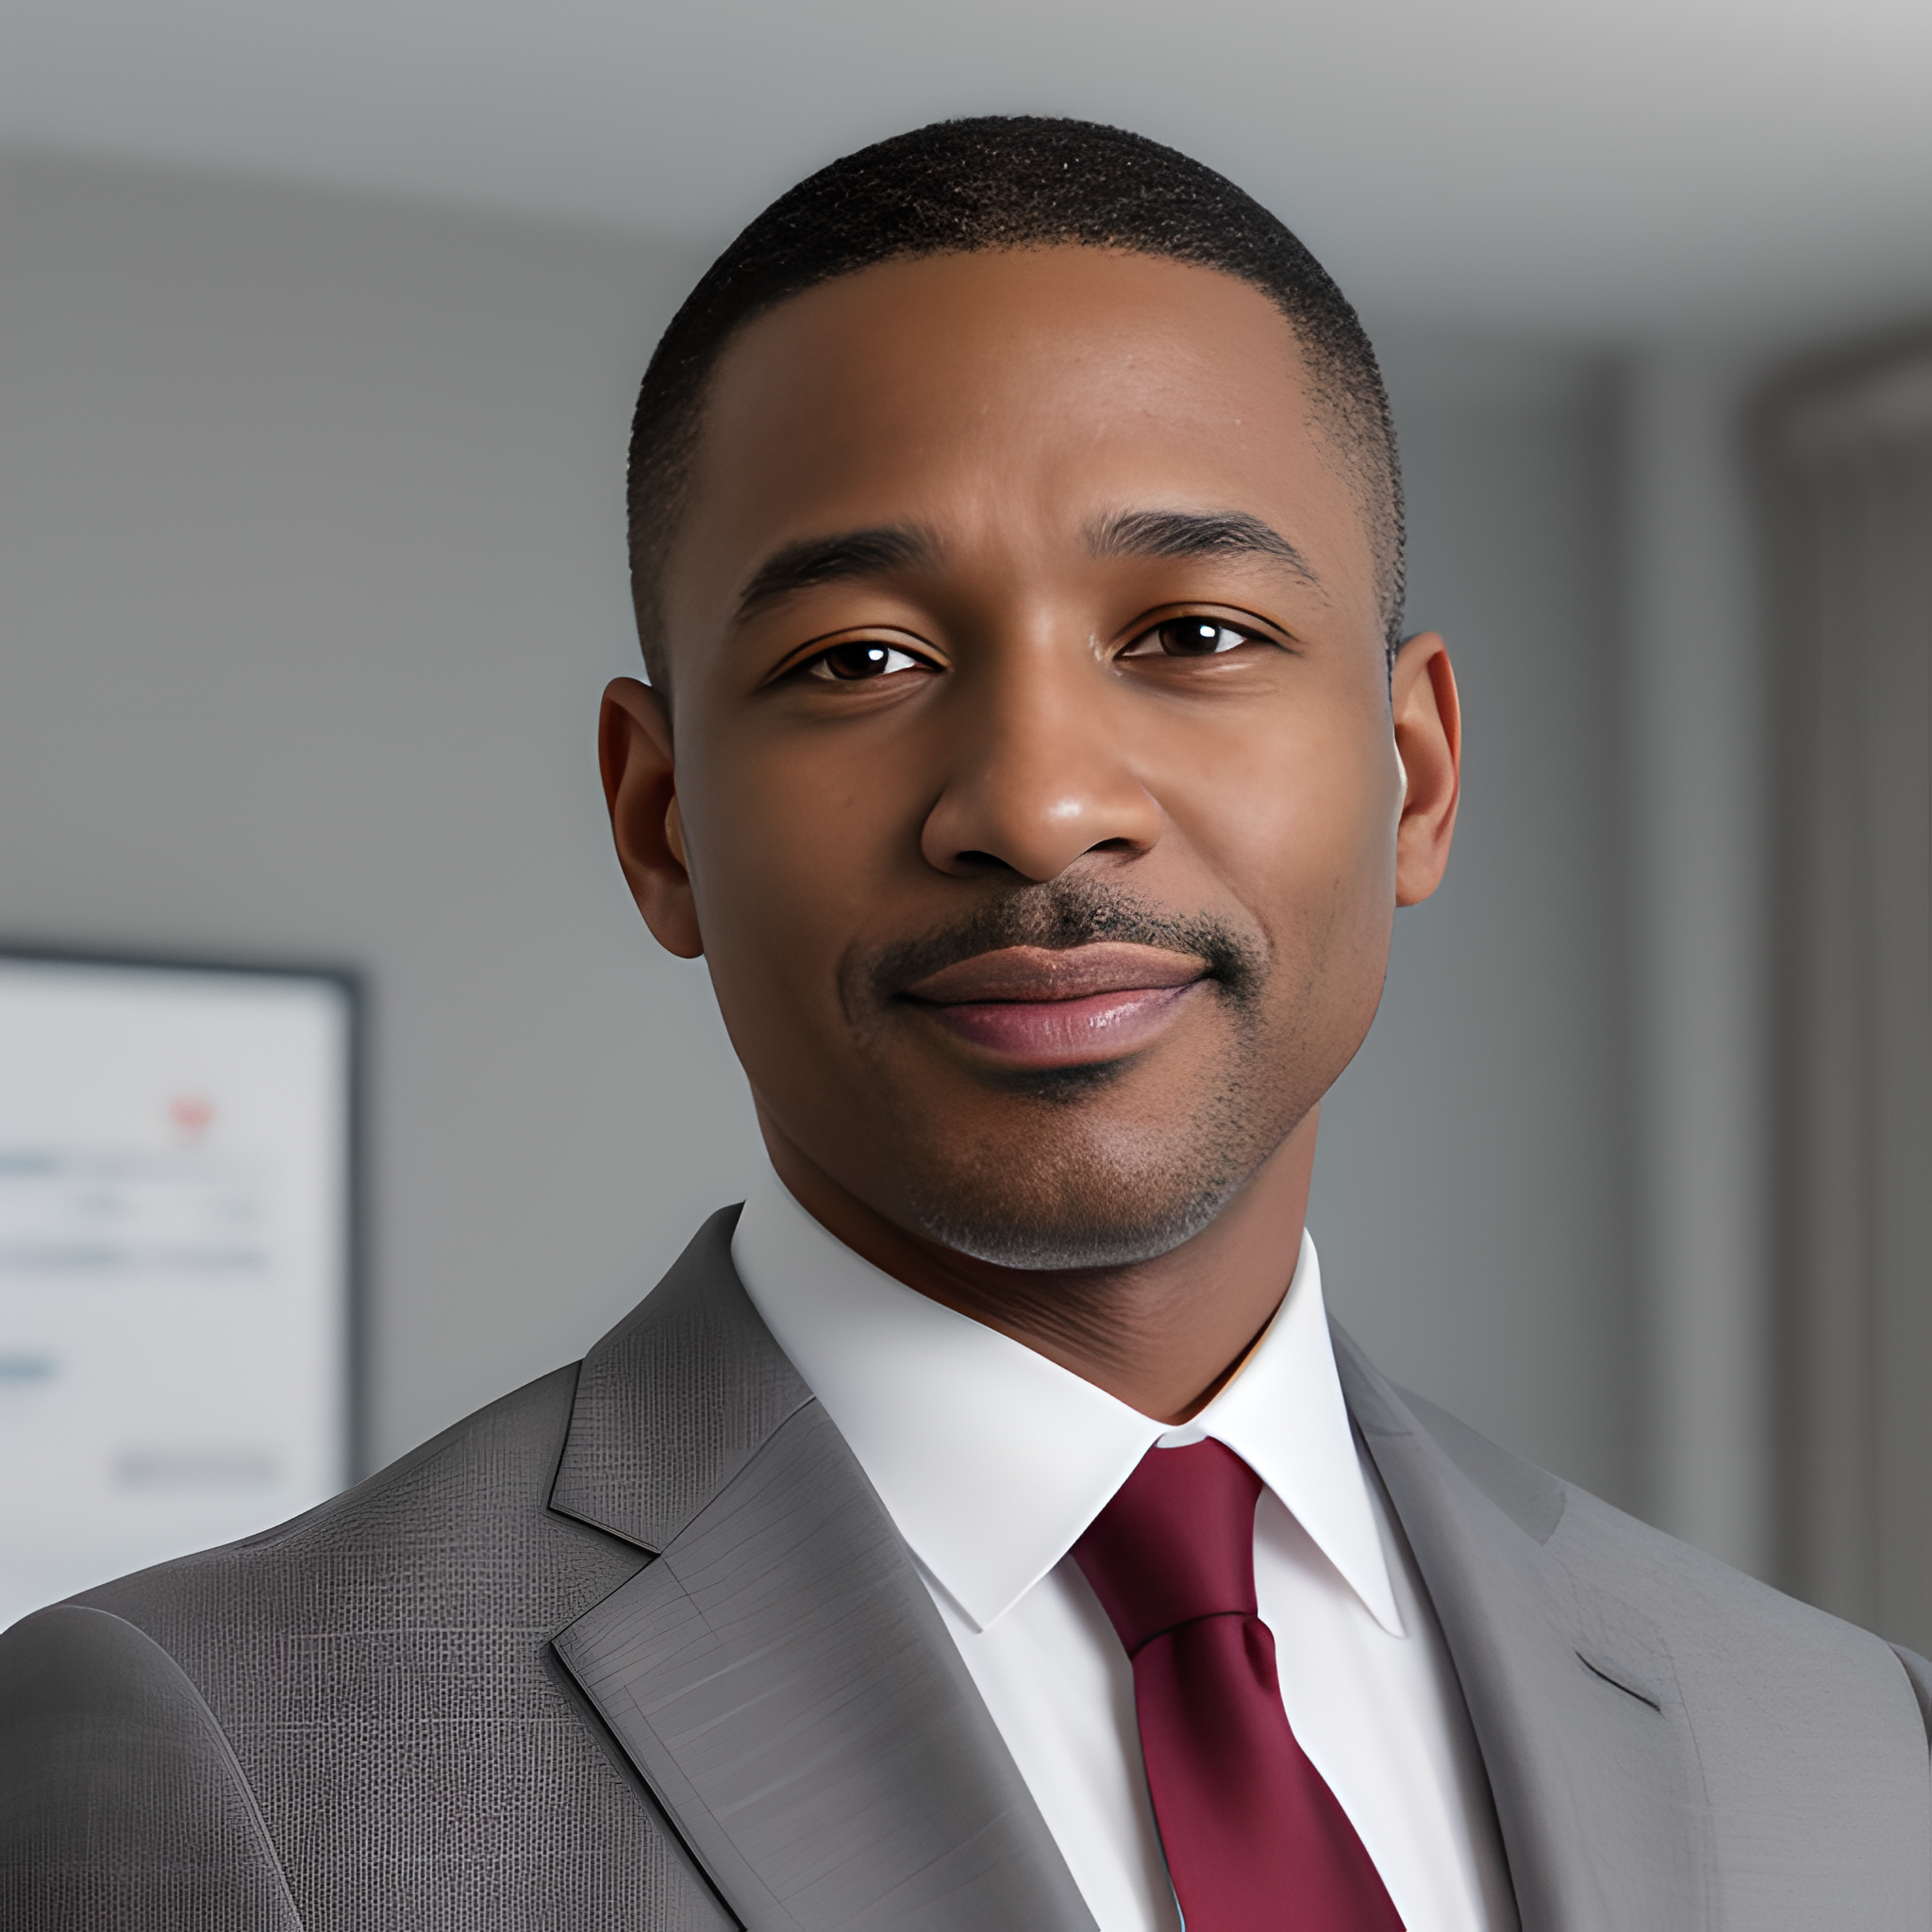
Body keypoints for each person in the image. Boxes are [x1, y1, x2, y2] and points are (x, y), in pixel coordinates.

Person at [2, 115, 1926, 1932]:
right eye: (860, 660)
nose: (1032, 798)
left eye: (1191, 634)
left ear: (1413, 774)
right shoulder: (219, 1756)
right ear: (660, 824)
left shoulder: (1851, 1743)